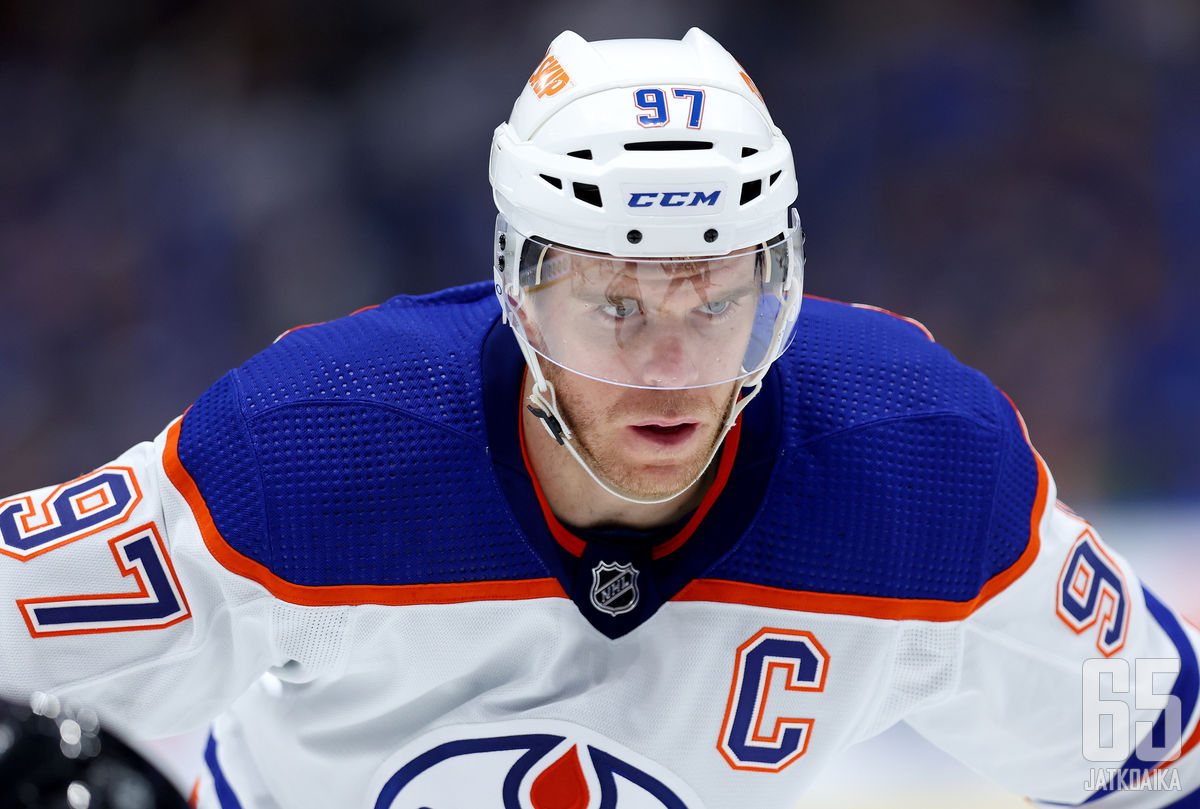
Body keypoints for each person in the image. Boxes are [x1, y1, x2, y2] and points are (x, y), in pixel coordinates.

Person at [1, 27, 1197, 809]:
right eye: (615, 304)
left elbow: (1152, 747)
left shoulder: (923, 467)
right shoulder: (313, 443)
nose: (672, 366)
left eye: (717, 295)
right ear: (521, 293)